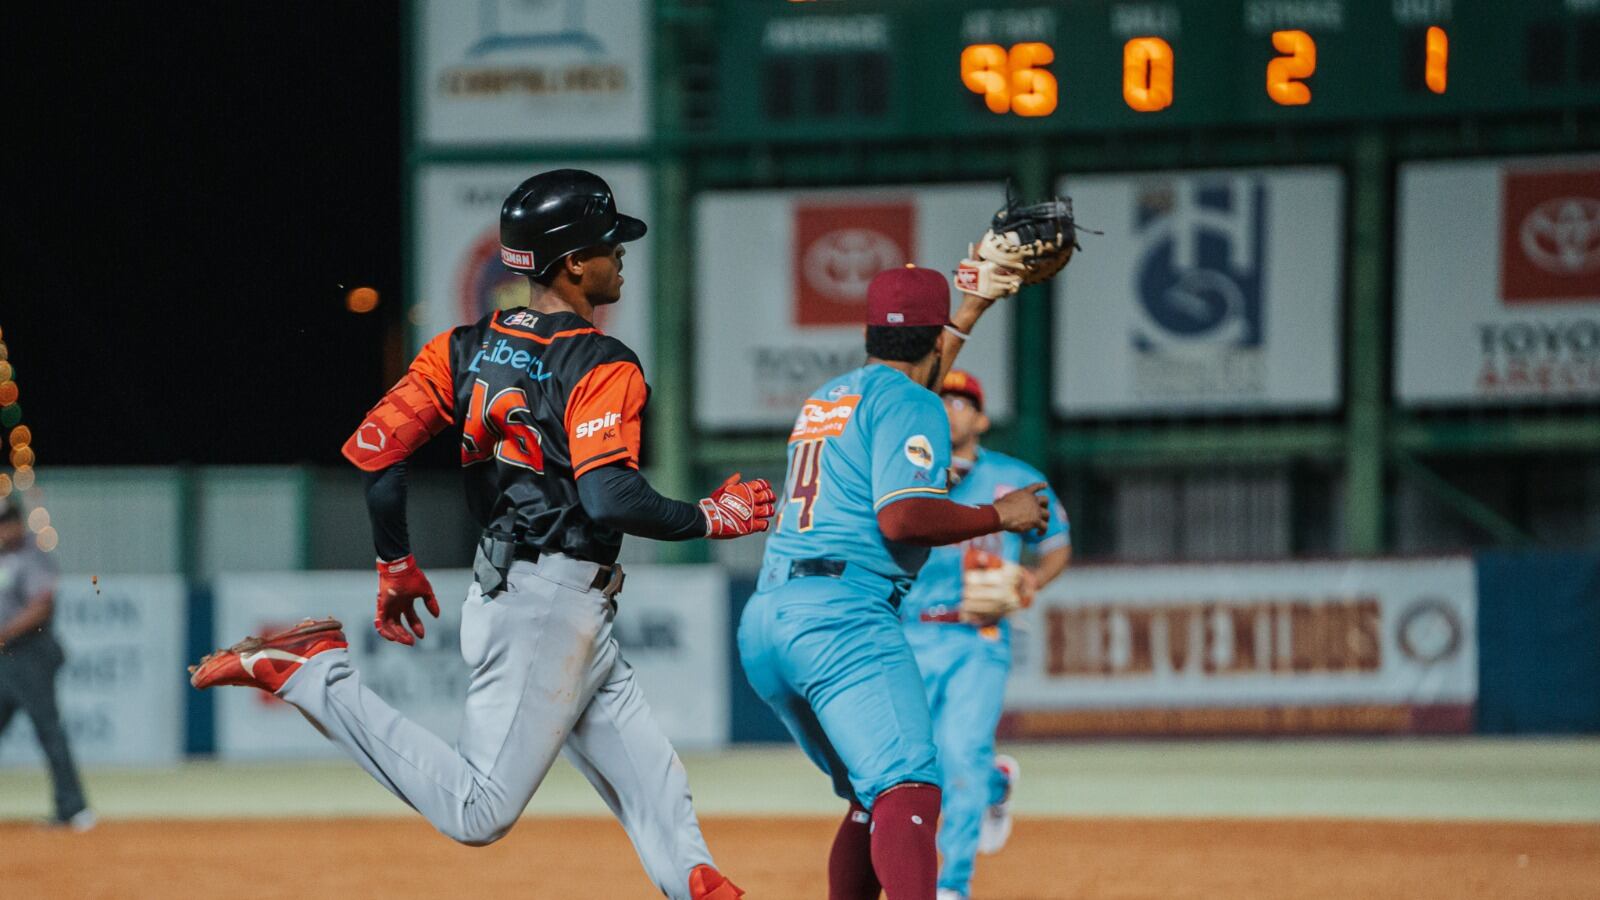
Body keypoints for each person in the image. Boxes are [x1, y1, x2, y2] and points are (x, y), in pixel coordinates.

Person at [189, 170, 770, 900]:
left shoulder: (461, 346)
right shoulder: (600, 361)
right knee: (476, 812)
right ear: (569, 262)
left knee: (653, 789)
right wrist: (710, 517)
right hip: (547, 602)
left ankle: (696, 883)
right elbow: (609, 493)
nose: (620, 255)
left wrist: (395, 561)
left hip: (532, 594)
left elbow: (379, 453)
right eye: (607, 244)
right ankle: (310, 673)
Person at [738, 264, 1049, 899]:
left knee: (867, 792)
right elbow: (903, 517)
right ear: (937, 342)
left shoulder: (829, 395)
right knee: (908, 784)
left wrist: (972, 307)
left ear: (868, 333)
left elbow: (910, 378)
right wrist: (1000, 514)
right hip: (841, 617)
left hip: (769, 618)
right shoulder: (914, 403)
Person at [899, 370, 1071, 900]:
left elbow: (1058, 540)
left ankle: (952, 886)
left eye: (962, 401)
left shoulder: (1013, 478)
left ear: (982, 417)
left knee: (962, 751)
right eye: (943, 400)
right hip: (907, 636)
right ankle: (996, 784)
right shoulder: (909, 474)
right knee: (917, 763)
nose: (952, 409)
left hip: (980, 638)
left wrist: (1033, 579)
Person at [0, 495, 94, 831]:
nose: (2, 531)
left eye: (6, 524)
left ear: (17, 523)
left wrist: (5, 633)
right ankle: (72, 807)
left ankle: (74, 809)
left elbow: (42, 605)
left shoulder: (31, 556)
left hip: (30, 654)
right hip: (6, 658)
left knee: (48, 730)